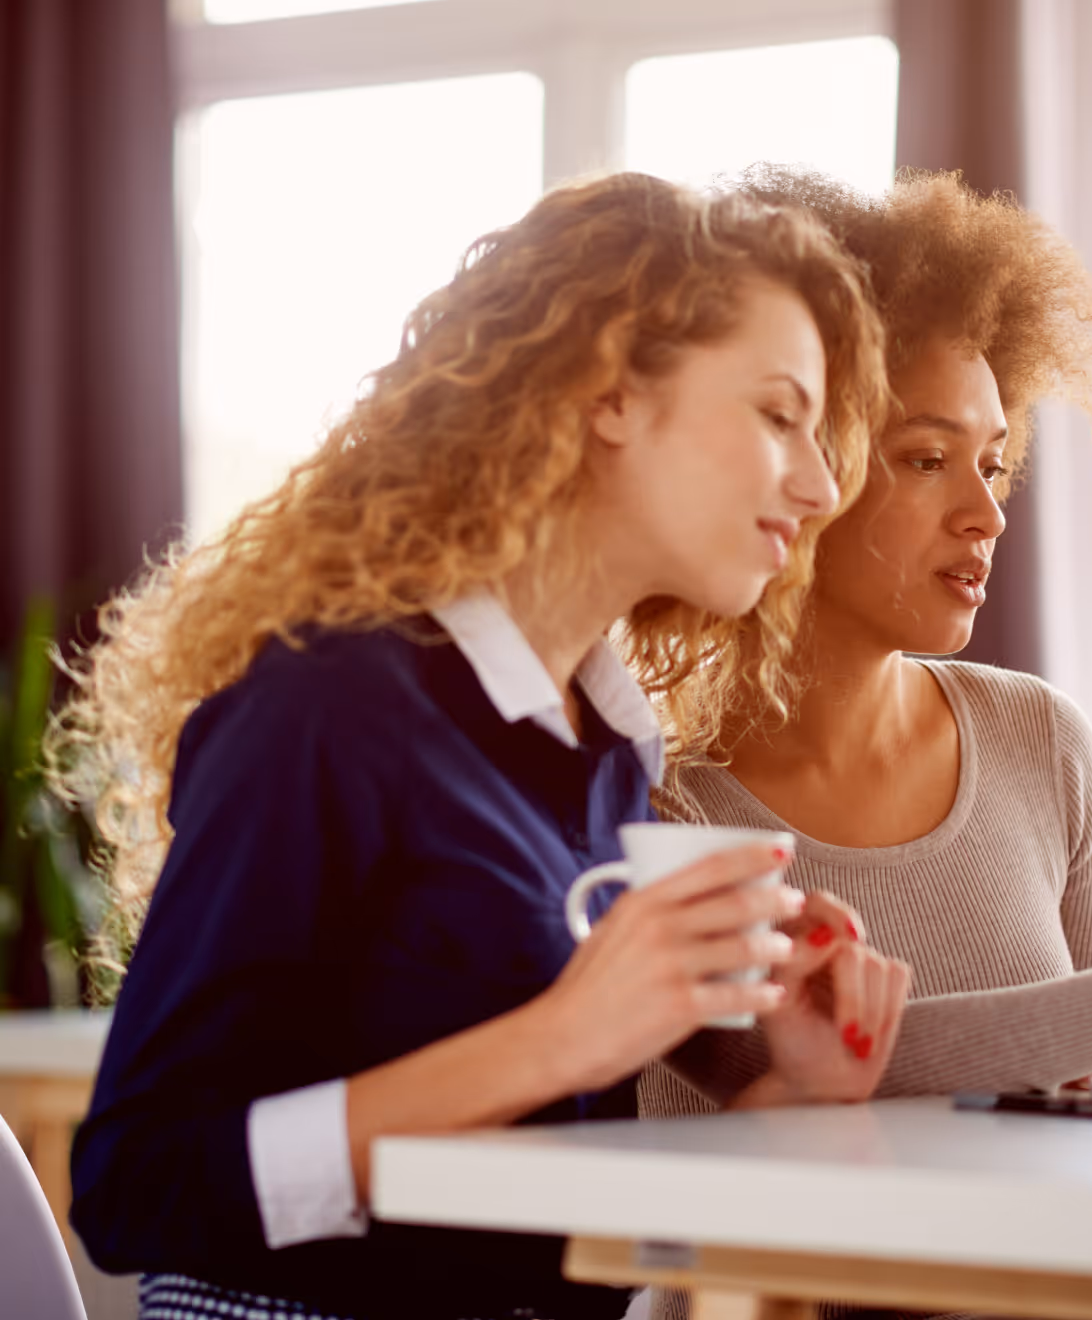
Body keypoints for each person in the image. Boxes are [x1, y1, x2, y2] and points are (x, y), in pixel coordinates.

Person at [50, 172, 912, 1320]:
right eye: (777, 414)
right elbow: (138, 1185)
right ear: (611, 392)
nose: (823, 485)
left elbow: (545, 1228)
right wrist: (564, 1036)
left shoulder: (606, 752)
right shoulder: (327, 705)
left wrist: (790, 1095)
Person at [633, 168, 1092, 1318]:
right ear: (802, 464)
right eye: (925, 457)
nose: (986, 513)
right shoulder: (661, 797)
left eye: (993, 462)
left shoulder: (1038, 737)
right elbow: (801, 1068)